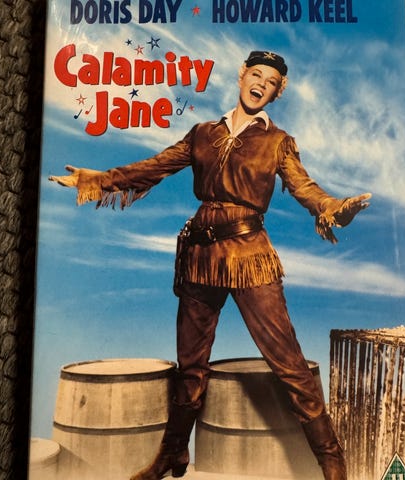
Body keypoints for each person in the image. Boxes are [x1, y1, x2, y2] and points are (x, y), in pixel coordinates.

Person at [50, 50, 371, 480]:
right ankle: (173, 453)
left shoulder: (278, 142)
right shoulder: (202, 133)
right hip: (200, 257)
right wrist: (97, 179)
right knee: (190, 366)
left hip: (249, 257)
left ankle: (332, 460)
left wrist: (333, 208)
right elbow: (156, 166)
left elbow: (305, 187)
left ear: (277, 92)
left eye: (270, 82)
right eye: (256, 75)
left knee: (289, 363)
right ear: (241, 76)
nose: (260, 84)